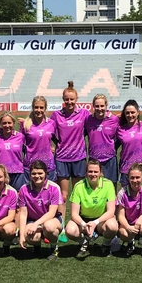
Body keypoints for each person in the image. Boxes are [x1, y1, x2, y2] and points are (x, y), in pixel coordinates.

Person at [51, 82, 91, 220]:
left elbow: (92, 126)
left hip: (79, 157)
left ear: (76, 99)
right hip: (62, 158)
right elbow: (49, 133)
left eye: (72, 99)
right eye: (66, 99)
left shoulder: (84, 114)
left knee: (79, 193)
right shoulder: (56, 115)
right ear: (63, 99)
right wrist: (56, 145)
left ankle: (79, 222)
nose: (69, 102)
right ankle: (61, 224)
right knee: (63, 195)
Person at [65, 159, 119, 259]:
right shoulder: (79, 186)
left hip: (101, 220)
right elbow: (74, 213)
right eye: (90, 171)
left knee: (112, 226)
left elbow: (111, 211)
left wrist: (95, 223)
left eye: (95, 171)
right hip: (83, 220)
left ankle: (106, 245)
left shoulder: (108, 184)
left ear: (100, 173)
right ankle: (84, 242)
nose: (93, 174)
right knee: (70, 230)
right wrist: (84, 225)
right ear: (86, 172)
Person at [17, 160, 64, 260]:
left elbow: (51, 213)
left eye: (40, 173)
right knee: (28, 236)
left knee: (49, 227)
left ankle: (53, 248)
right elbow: (23, 214)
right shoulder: (23, 189)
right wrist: (21, 235)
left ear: (46, 173)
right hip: (32, 220)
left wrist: (36, 224)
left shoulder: (54, 188)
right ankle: (37, 245)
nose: (37, 176)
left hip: (52, 220)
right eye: (33, 173)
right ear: (30, 175)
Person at [116, 163, 142, 259]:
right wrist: (127, 227)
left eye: (138, 177)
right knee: (123, 233)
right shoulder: (122, 192)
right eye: (132, 178)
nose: (135, 180)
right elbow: (121, 216)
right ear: (128, 178)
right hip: (130, 224)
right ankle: (131, 243)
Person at [85, 94, 120, 184]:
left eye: (102, 106)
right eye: (97, 106)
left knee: (111, 189)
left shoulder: (114, 119)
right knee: (93, 188)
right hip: (94, 160)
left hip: (109, 160)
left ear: (106, 106)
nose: (99, 108)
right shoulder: (88, 120)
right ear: (93, 107)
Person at [23, 96, 57, 185]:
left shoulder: (51, 123)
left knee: (49, 193)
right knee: (30, 195)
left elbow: (58, 141)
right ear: (33, 108)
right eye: (36, 107)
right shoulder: (25, 124)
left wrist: (52, 148)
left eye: (41, 107)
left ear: (45, 108)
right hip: (30, 166)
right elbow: (21, 145)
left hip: (48, 165)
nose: (39, 110)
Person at [117, 100, 142, 186]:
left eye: (133, 112)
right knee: (126, 196)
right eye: (127, 113)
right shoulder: (120, 129)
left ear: (138, 112)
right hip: (126, 169)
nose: (130, 115)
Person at [0, 112, 26, 191]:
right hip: (0, 173)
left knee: (18, 196)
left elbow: (31, 147)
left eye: (9, 123)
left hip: (17, 172)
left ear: (13, 123)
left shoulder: (20, 136)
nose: (7, 125)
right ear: (0, 123)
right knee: (1, 197)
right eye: (4, 123)